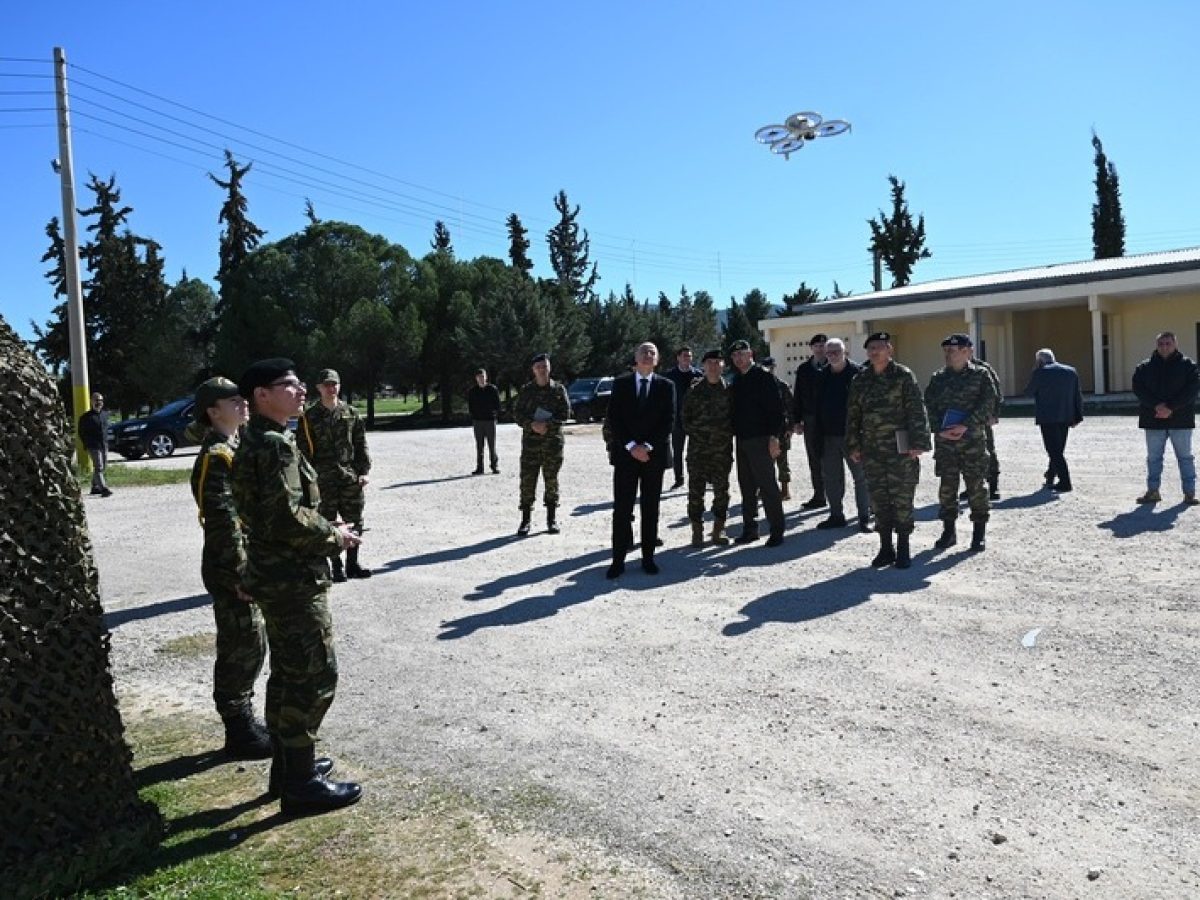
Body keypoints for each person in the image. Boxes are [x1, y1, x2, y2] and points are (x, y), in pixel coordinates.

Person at [231, 358, 362, 815]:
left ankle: (289, 768)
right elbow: (285, 518)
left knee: (287, 673)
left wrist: (324, 523)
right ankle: (301, 784)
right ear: (260, 395)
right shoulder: (273, 446)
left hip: (276, 573)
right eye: (289, 385)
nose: (301, 390)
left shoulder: (259, 440)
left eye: (300, 384)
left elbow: (273, 513)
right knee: (313, 673)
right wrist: (335, 536)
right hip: (292, 578)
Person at [189, 376, 270, 761]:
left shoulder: (233, 448)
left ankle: (245, 720)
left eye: (242, 397)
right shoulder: (216, 456)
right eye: (232, 400)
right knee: (241, 645)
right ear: (212, 410)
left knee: (253, 643)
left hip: (244, 563)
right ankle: (238, 728)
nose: (242, 403)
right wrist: (240, 573)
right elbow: (222, 521)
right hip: (230, 569)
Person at [846, 332, 931, 568]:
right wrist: (853, 444)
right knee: (879, 499)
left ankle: (903, 547)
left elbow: (916, 410)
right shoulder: (860, 380)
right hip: (872, 449)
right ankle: (885, 548)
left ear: (889, 350)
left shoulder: (903, 376)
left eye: (880, 347)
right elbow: (853, 415)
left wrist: (918, 443)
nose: (875, 352)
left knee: (902, 498)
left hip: (900, 448)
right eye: (871, 348)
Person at [604, 342, 675, 578]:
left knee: (650, 507)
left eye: (652, 352)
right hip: (626, 456)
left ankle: (648, 558)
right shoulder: (621, 384)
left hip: (653, 457)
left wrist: (648, 446)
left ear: (657, 359)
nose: (647, 355)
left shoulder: (667, 386)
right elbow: (614, 419)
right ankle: (618, 560)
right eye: (643, 352)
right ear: (635, 357)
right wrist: (632, 446)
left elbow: (668, 421)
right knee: (622, 508)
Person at [924, 334, 998, 552]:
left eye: (953, 350)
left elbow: (988, 403)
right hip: (946, 442)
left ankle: (978, 534)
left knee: (976, 486)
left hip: (972, 440)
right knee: (947, 487)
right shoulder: (938, 378)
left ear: (968, 352)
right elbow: (929, 406)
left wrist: (966, 425)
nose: (948, 354)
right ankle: (949, 531)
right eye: (946, 350)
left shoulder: (981, 375)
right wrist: (939, 429)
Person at [298, 369, 373, 580]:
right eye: (326, 385)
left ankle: (352, 564)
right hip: (322, 477)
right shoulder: (309, 417)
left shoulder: (351, 413)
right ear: (319, 388)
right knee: (326, 522)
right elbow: (302, 451)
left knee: (355, 520)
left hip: (348, 475)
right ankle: (336, 566)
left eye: (334, 384)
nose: (331, 388)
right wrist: (307, 479)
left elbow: (361, 444)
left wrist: (364, 472)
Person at [729, 339, 786, 547]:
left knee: (768, 486)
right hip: (743, 440)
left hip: (761, 439)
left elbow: (776, 409)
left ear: (751, 354)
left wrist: (774, 437)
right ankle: (750, 529)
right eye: (735, 356)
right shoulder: (737, 380)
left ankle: (777, 530)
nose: (738, 358)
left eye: (742, 354)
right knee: (746, 487)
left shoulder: (763, 376)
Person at [1131, 331, 1200, 504]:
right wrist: (1157, 406)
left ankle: (1189, 493)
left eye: (1168, 343)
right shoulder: (1144, 368)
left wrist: (1170, 407)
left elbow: (1191, 391)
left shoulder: (1188, 366)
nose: (1164, 347)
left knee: (1185, 457)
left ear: (1175, 344)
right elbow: (1139, 389)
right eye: (1161, 343)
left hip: (1181, 420)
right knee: (1154, 458)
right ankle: (1153, 491)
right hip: (1153, 419)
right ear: (1156, 345)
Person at [813, 338, 871, 532]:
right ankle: (836, 515)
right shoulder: (821, 376)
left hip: (853, 436)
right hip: (828, 436)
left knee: (861, 477)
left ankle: (864, 517)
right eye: (829, 353)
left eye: (836, 351)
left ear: (845, 352)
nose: (832, 355)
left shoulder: (859, 374)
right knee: (831, 478)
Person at [514, 353, 572, 535]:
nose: (542, 370)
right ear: (533, 370)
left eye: (545, 367)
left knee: (551, 481)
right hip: (531, 444)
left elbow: (566, 414)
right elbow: (517, 414)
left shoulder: (558, 390)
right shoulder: (526, 391)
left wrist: (548, 426)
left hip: (552, 444)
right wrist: (531, 424)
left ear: (549, 368)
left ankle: (551, 519)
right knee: (527, 481)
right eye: (538, 367)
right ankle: (525, 520)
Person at [682, 349, 734, 546]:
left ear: (723, 366)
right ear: (703, 366)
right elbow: (684, 419)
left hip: (722, 451)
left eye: (717, 362)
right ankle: (697, 531)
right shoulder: (694, 391)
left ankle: (718, 530)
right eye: (709, 362)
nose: (713, 366)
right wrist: (702, 433)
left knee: (722, 491)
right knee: (696, 492)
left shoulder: (729, 391)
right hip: (698, 451)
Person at [1023, 348, 1083, 492]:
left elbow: (1028, 392)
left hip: (1048, 417)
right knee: (1058, 448)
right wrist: (1078, 415)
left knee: (1053, 450)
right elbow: (1077, 395)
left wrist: (1035, 371)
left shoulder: (1040, 373)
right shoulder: (1070, 371)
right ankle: (1050, 475)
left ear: (1040, 360)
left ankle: (1065, 481)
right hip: (1067, 415)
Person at [792, 334, 828, 509]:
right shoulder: (804, 369)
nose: (821, 348)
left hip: (831, 419)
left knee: (833, 458)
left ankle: (835, 496)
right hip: (811, 418)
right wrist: (796, 420)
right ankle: (819, 495)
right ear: (812, 348)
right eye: (817, 345)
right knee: (814, 458)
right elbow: (797, 395)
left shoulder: (834, 366)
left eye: (824, 345)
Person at [663, 346, 702, 490]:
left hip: (695, 420)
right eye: (685, 355)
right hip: (677, 421)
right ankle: (679, 479)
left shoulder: (698, 375)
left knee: (698, 451)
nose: (687, 358)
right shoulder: (670, 375)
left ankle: (702, 477)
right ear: (678, 357)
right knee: (677, 451)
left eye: (690, 356)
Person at [760, 357, 795, 500]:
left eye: (771, 367)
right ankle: (765, 489)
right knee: (764, 461)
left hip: (781, 428)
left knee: (782, 459)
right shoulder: (759, 387)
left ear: (775, 367)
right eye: (766, 367)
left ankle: (785, 490)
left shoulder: (782, 386)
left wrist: (790, 427)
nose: (769, 369)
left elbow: (791, 408)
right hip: (763, 429)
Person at [467, 367, 501, 475]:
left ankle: (494, 466)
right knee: (479, 445)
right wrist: (474, 416)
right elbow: (470, 406)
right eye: (479, 377)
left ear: (486, 377)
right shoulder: (472, 391)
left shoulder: (492, 389)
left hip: (490, 421)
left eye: (483, 376)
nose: (481, 379)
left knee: (492, 445)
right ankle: (479, 467)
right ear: (476, 378)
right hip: (478, 421)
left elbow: (497, 404)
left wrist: (494, 415)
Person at [78, 391, 112, 497]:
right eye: (96, 400)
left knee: (103, 466)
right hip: (93, 446)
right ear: (91, 401)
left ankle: (94, 487)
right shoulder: (86, 417)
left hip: (104, 445)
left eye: (101, 400)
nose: (99, 402)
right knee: (98, 466)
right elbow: (81, 432)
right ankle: (103, 489)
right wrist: (86, 444)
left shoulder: (105, 415)